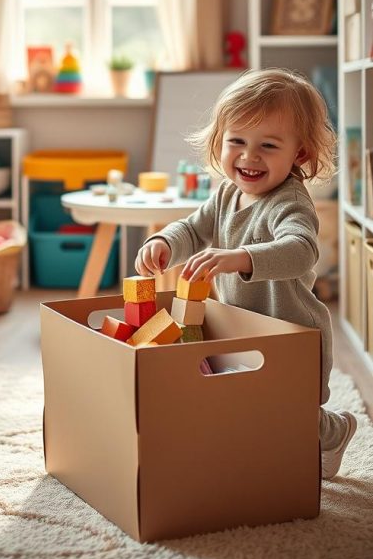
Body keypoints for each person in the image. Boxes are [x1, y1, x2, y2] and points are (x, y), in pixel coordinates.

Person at [135, 67, 357, 480]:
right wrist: (163, 243)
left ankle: (334, 430)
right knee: (234, 392)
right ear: (220, 142)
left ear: (300, 155)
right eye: (237, 141)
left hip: (290, 332)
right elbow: (193, 228)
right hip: (241, 324)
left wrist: (240, 257)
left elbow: (301, 250)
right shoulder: (225, 192)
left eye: (268, 146)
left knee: (287, 404)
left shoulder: (289, 201)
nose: (249, 157)